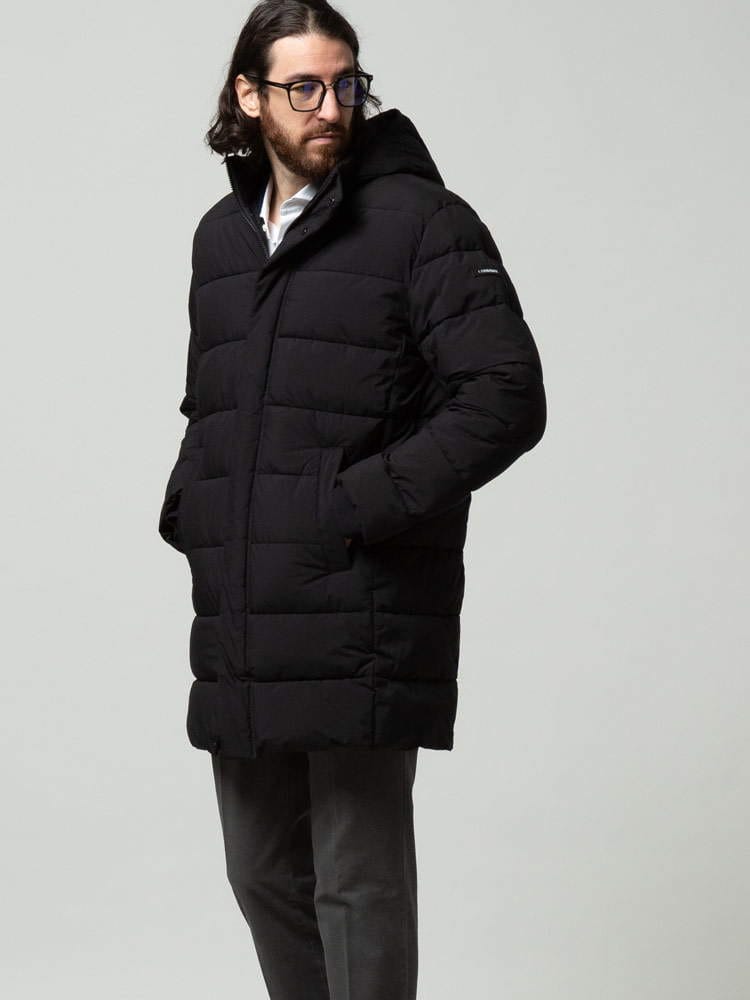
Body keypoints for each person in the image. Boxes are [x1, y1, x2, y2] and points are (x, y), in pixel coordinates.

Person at [157, 2, 547, 997]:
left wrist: (353, 506)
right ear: (249, 97)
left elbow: (506, 396)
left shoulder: (421, 221)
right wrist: (194, 511)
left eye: (346, 83)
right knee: (261, 875)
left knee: (357, 884)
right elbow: (213, 403)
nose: (331, 107)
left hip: (364, 605)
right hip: (246, 608)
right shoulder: (222, 239)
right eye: (305, 87)